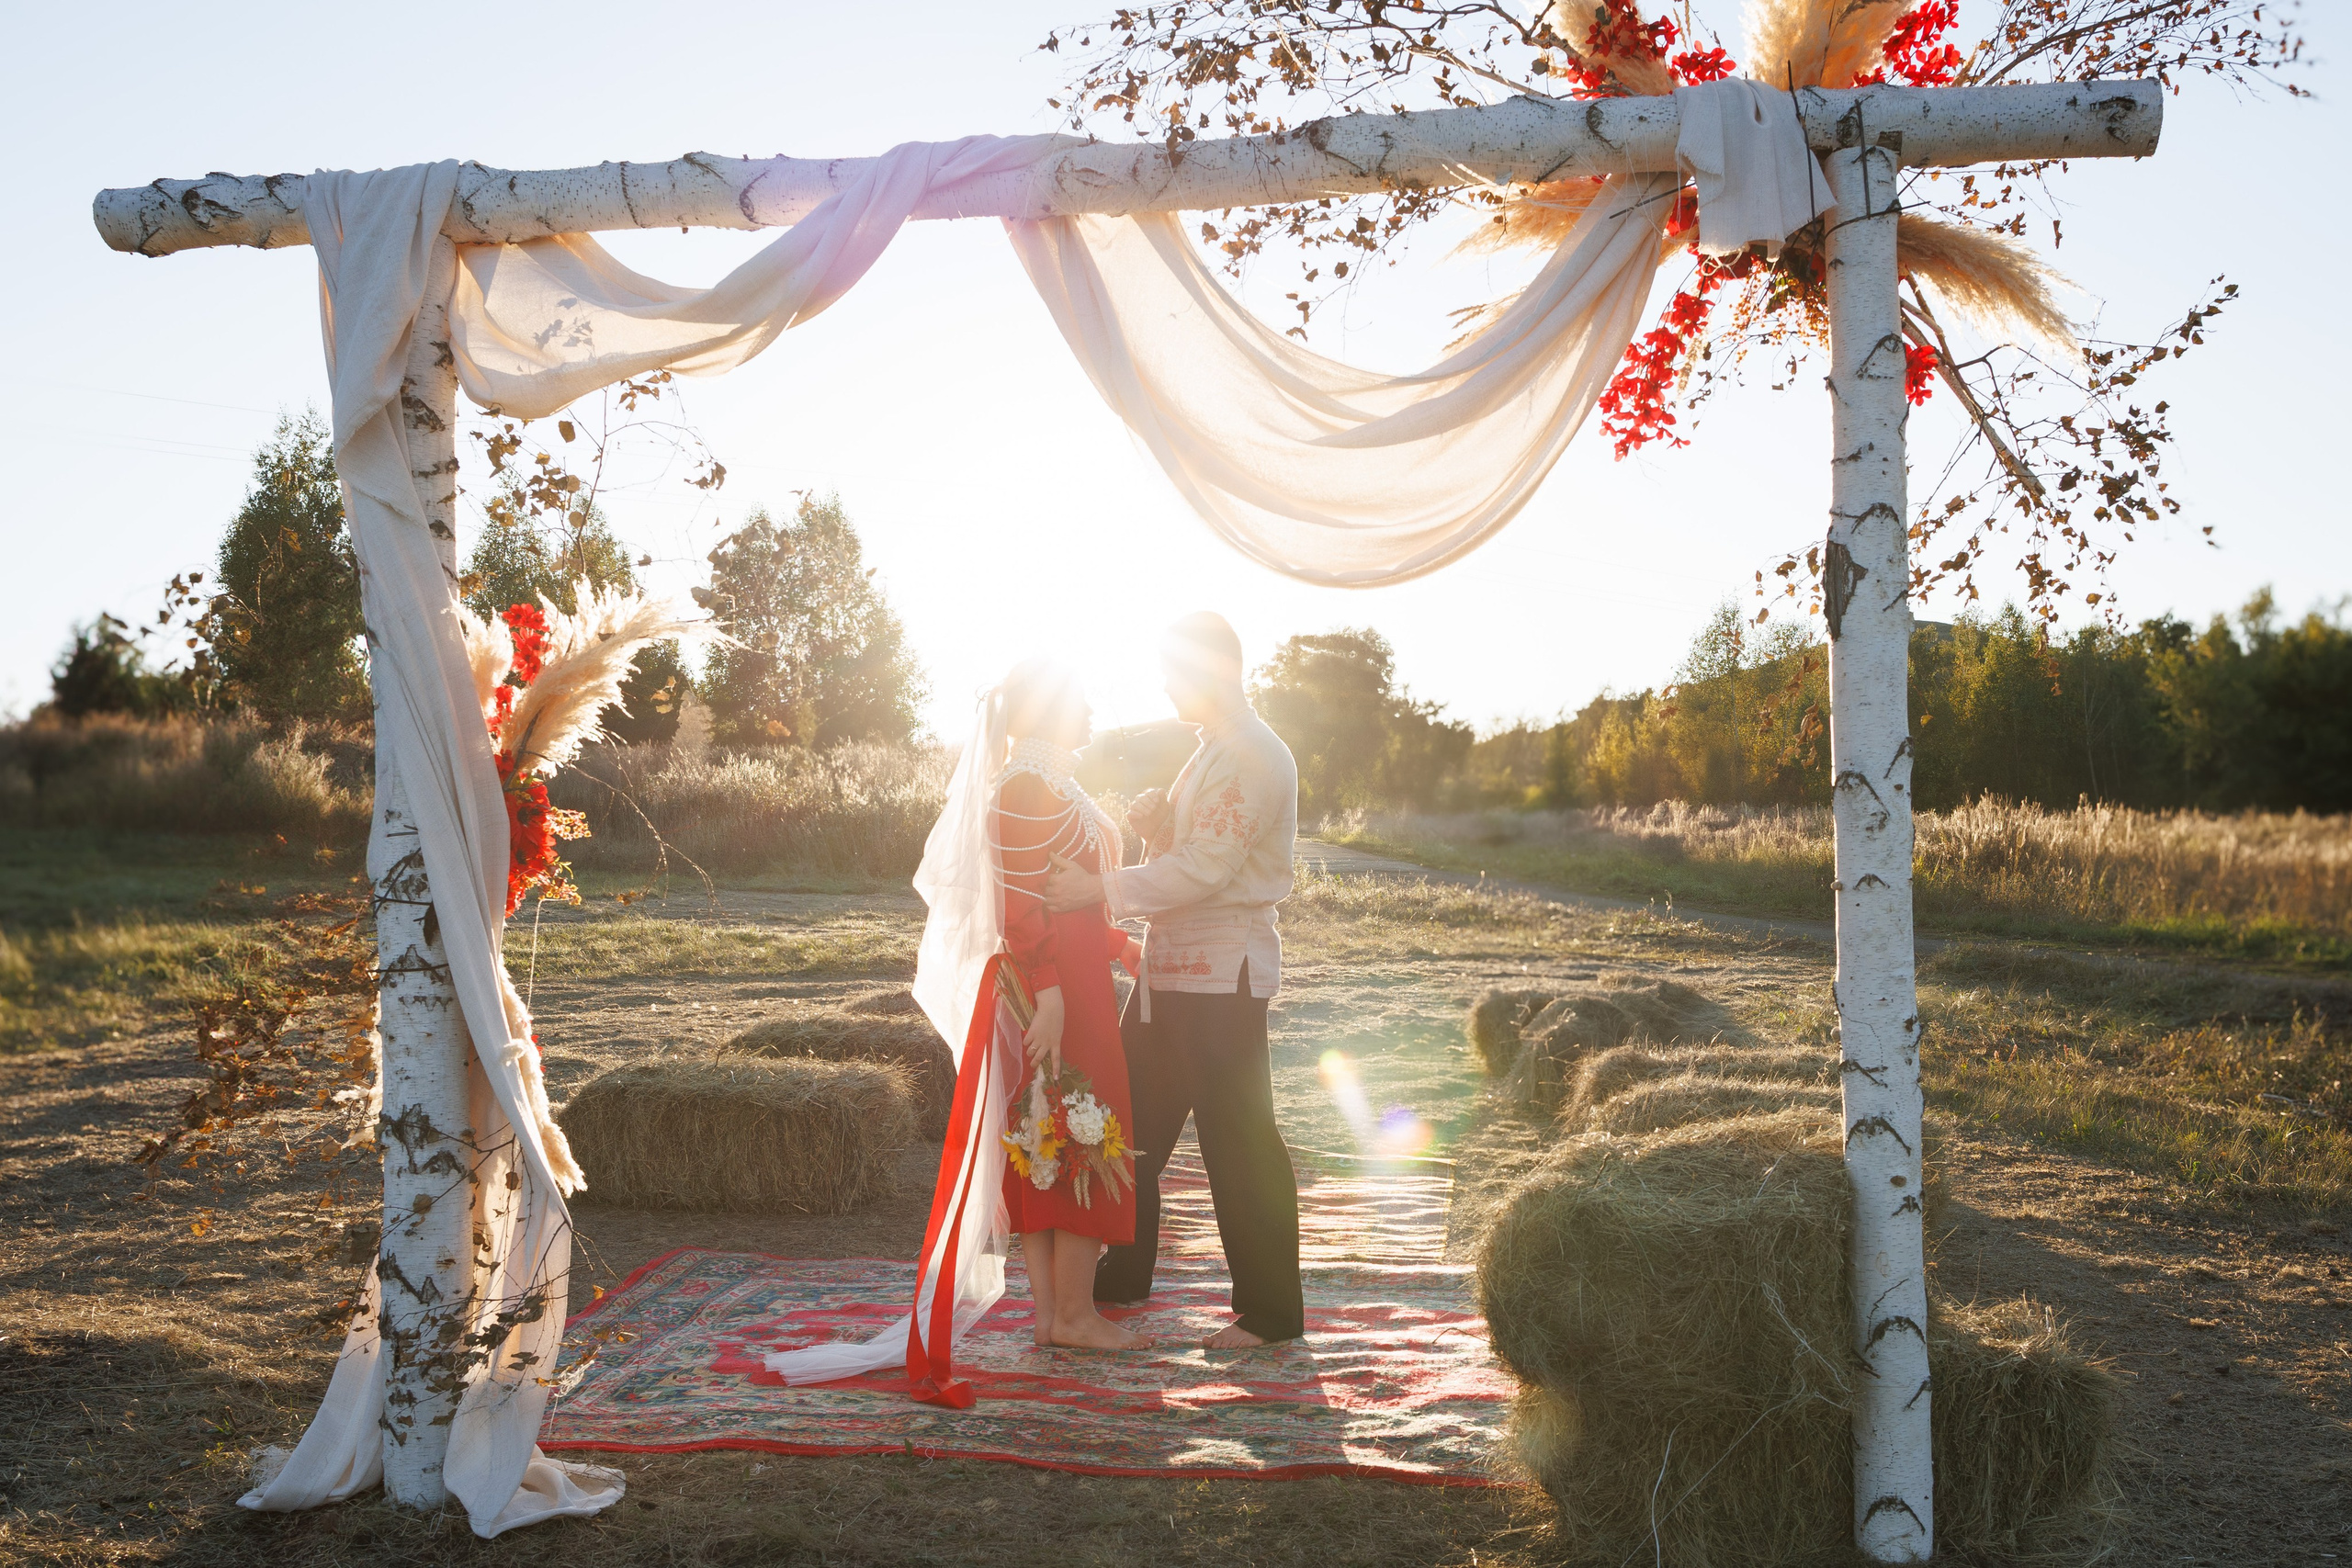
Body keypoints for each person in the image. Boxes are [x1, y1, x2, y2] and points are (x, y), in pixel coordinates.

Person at [762, 658, 1147, 1408]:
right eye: (1081, 699)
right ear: (1048, 711)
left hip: (1069, 974)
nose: (1094, 710)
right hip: (1053, 985)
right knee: (1072, 1126)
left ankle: (1056, 1314)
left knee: (1052, 1125)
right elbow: (1020, 904)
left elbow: (1066, 895)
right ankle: (1069, 1312)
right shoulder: (1027, 786)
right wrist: (1055, 994)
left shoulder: (1053, 779)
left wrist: (1120, 947)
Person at [1045, 612, 1304, 1348]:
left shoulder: (1255, 753)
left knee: (1239, 1139)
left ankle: (1272, 1314)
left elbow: (1208, 870)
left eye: (1175, 671)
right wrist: (1160, 821)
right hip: (1170, 974)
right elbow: (1192, 849)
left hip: (1223, 979)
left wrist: (1098, 887)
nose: (1164, 684)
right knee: (1130, 1131)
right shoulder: (1210, 751)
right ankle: (1125, 1273)